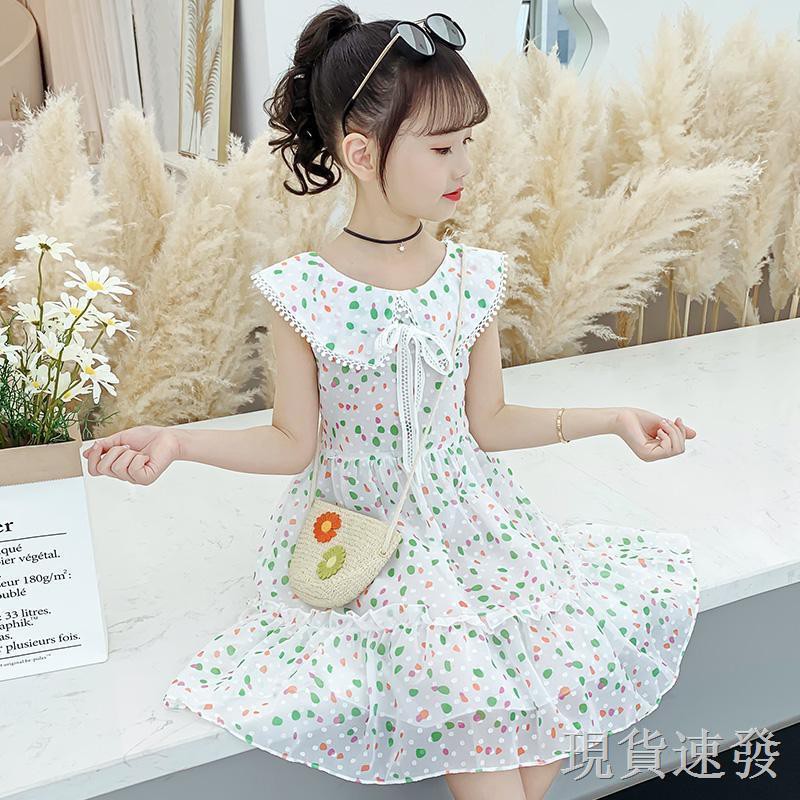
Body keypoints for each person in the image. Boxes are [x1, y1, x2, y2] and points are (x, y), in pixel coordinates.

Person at [82, 5, 701, 798]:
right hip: (370, 549)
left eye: (468, 141)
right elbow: (293, 442)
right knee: (499, 748)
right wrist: (179, 442)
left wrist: (613, 420)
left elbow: (488, 422)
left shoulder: (472, 276)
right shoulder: (302, 291)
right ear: (361, 152)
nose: (463, 165)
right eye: (442, 147)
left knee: (548, 714)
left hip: (483, 535)